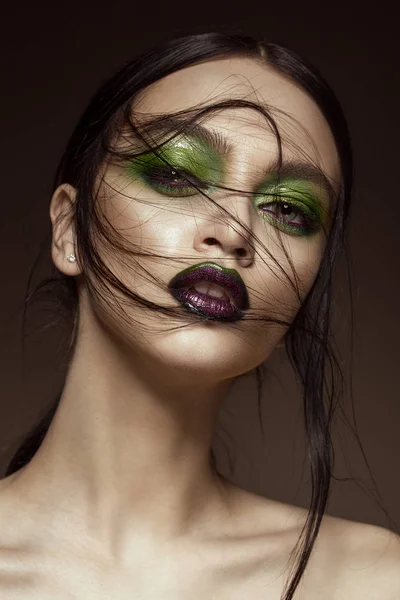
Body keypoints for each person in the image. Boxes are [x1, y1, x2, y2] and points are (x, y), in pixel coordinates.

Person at [0, 32, 399, 599]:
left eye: (288, 210)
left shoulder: (375, 581)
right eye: (177, 175)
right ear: (70, 231)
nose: (235, 230)